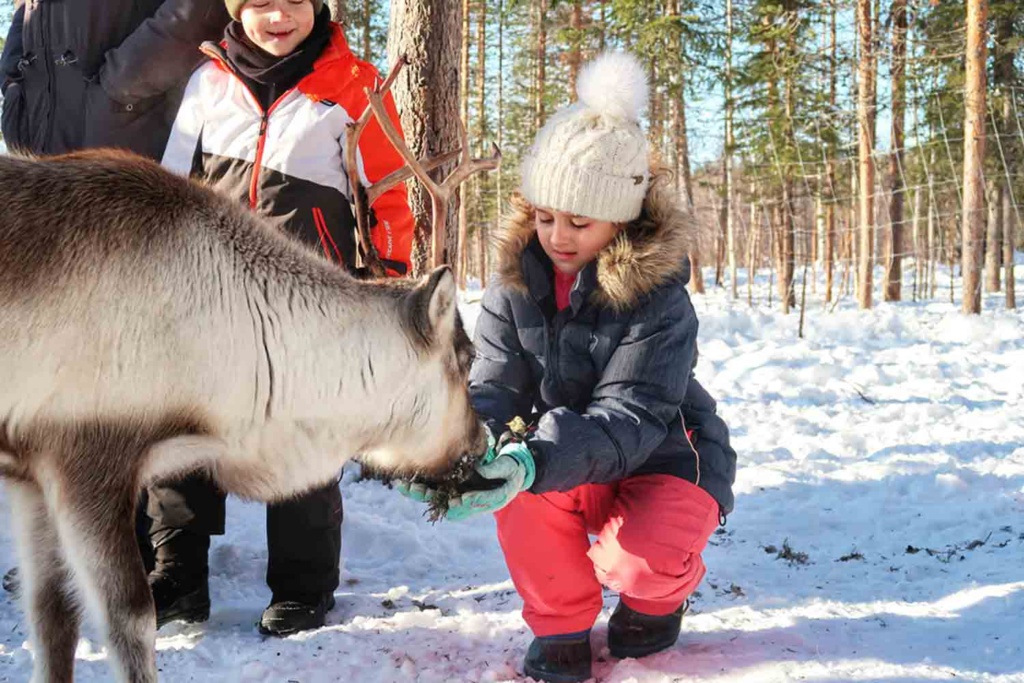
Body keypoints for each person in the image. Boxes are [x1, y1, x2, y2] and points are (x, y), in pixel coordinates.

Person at [403, 52, 737, 683]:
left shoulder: (660, 298)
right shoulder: (513, 287)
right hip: (563, 458)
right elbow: (495, 384)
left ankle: (657, 601)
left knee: (638, 562)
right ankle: (560, 626)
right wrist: (459, 451)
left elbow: (632, 414)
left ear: (622, 220)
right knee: (517, 492)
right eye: (545, 216)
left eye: (580, 222)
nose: (557, 235)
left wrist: (536, 456)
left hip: (662, 456)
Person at [155, 0, 416, 636]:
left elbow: (388, 190)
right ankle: (176, 578)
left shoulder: (354, 85)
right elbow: (170, 185)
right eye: (260, 3)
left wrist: (390, 273)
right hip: (209, 297)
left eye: (294, 1)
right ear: (236, 10)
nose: (279, 16)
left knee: (302, 438)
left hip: (309, 300)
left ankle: (302, 585)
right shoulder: (208, 82)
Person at [0, 0, 231, 597]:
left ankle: (178, 558)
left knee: (162, 369)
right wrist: (15, 84)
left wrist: (123, 85)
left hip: (134, 149)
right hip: (55, 164)